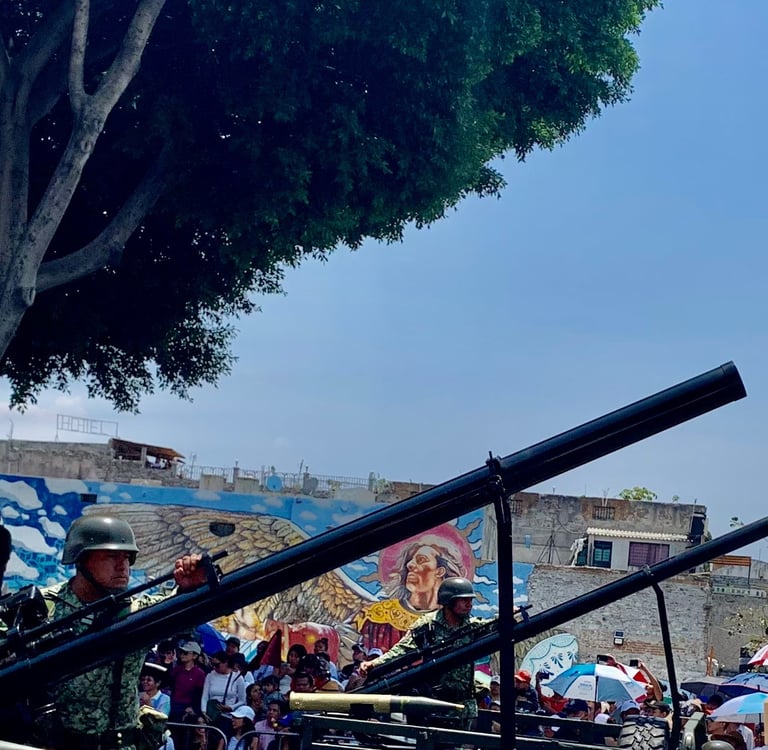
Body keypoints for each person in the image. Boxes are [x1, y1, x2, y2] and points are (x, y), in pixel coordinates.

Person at [40, 514, 207, 750]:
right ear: (81, 559)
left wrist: (192, 587)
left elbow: (180, 607)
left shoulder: (135, 613)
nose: (123, 566)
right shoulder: (41, 611)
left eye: (127, 557)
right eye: (111, 556)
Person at [359, 577, 486, 728]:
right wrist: (375, 663)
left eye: (470, 600)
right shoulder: (428, 625)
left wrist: (511, 616)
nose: (469, 605)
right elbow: (403, 649)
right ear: (449, 601)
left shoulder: (473, 627)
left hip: (463, 706)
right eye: (463, 600)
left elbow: (496, 627)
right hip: (434, 704)